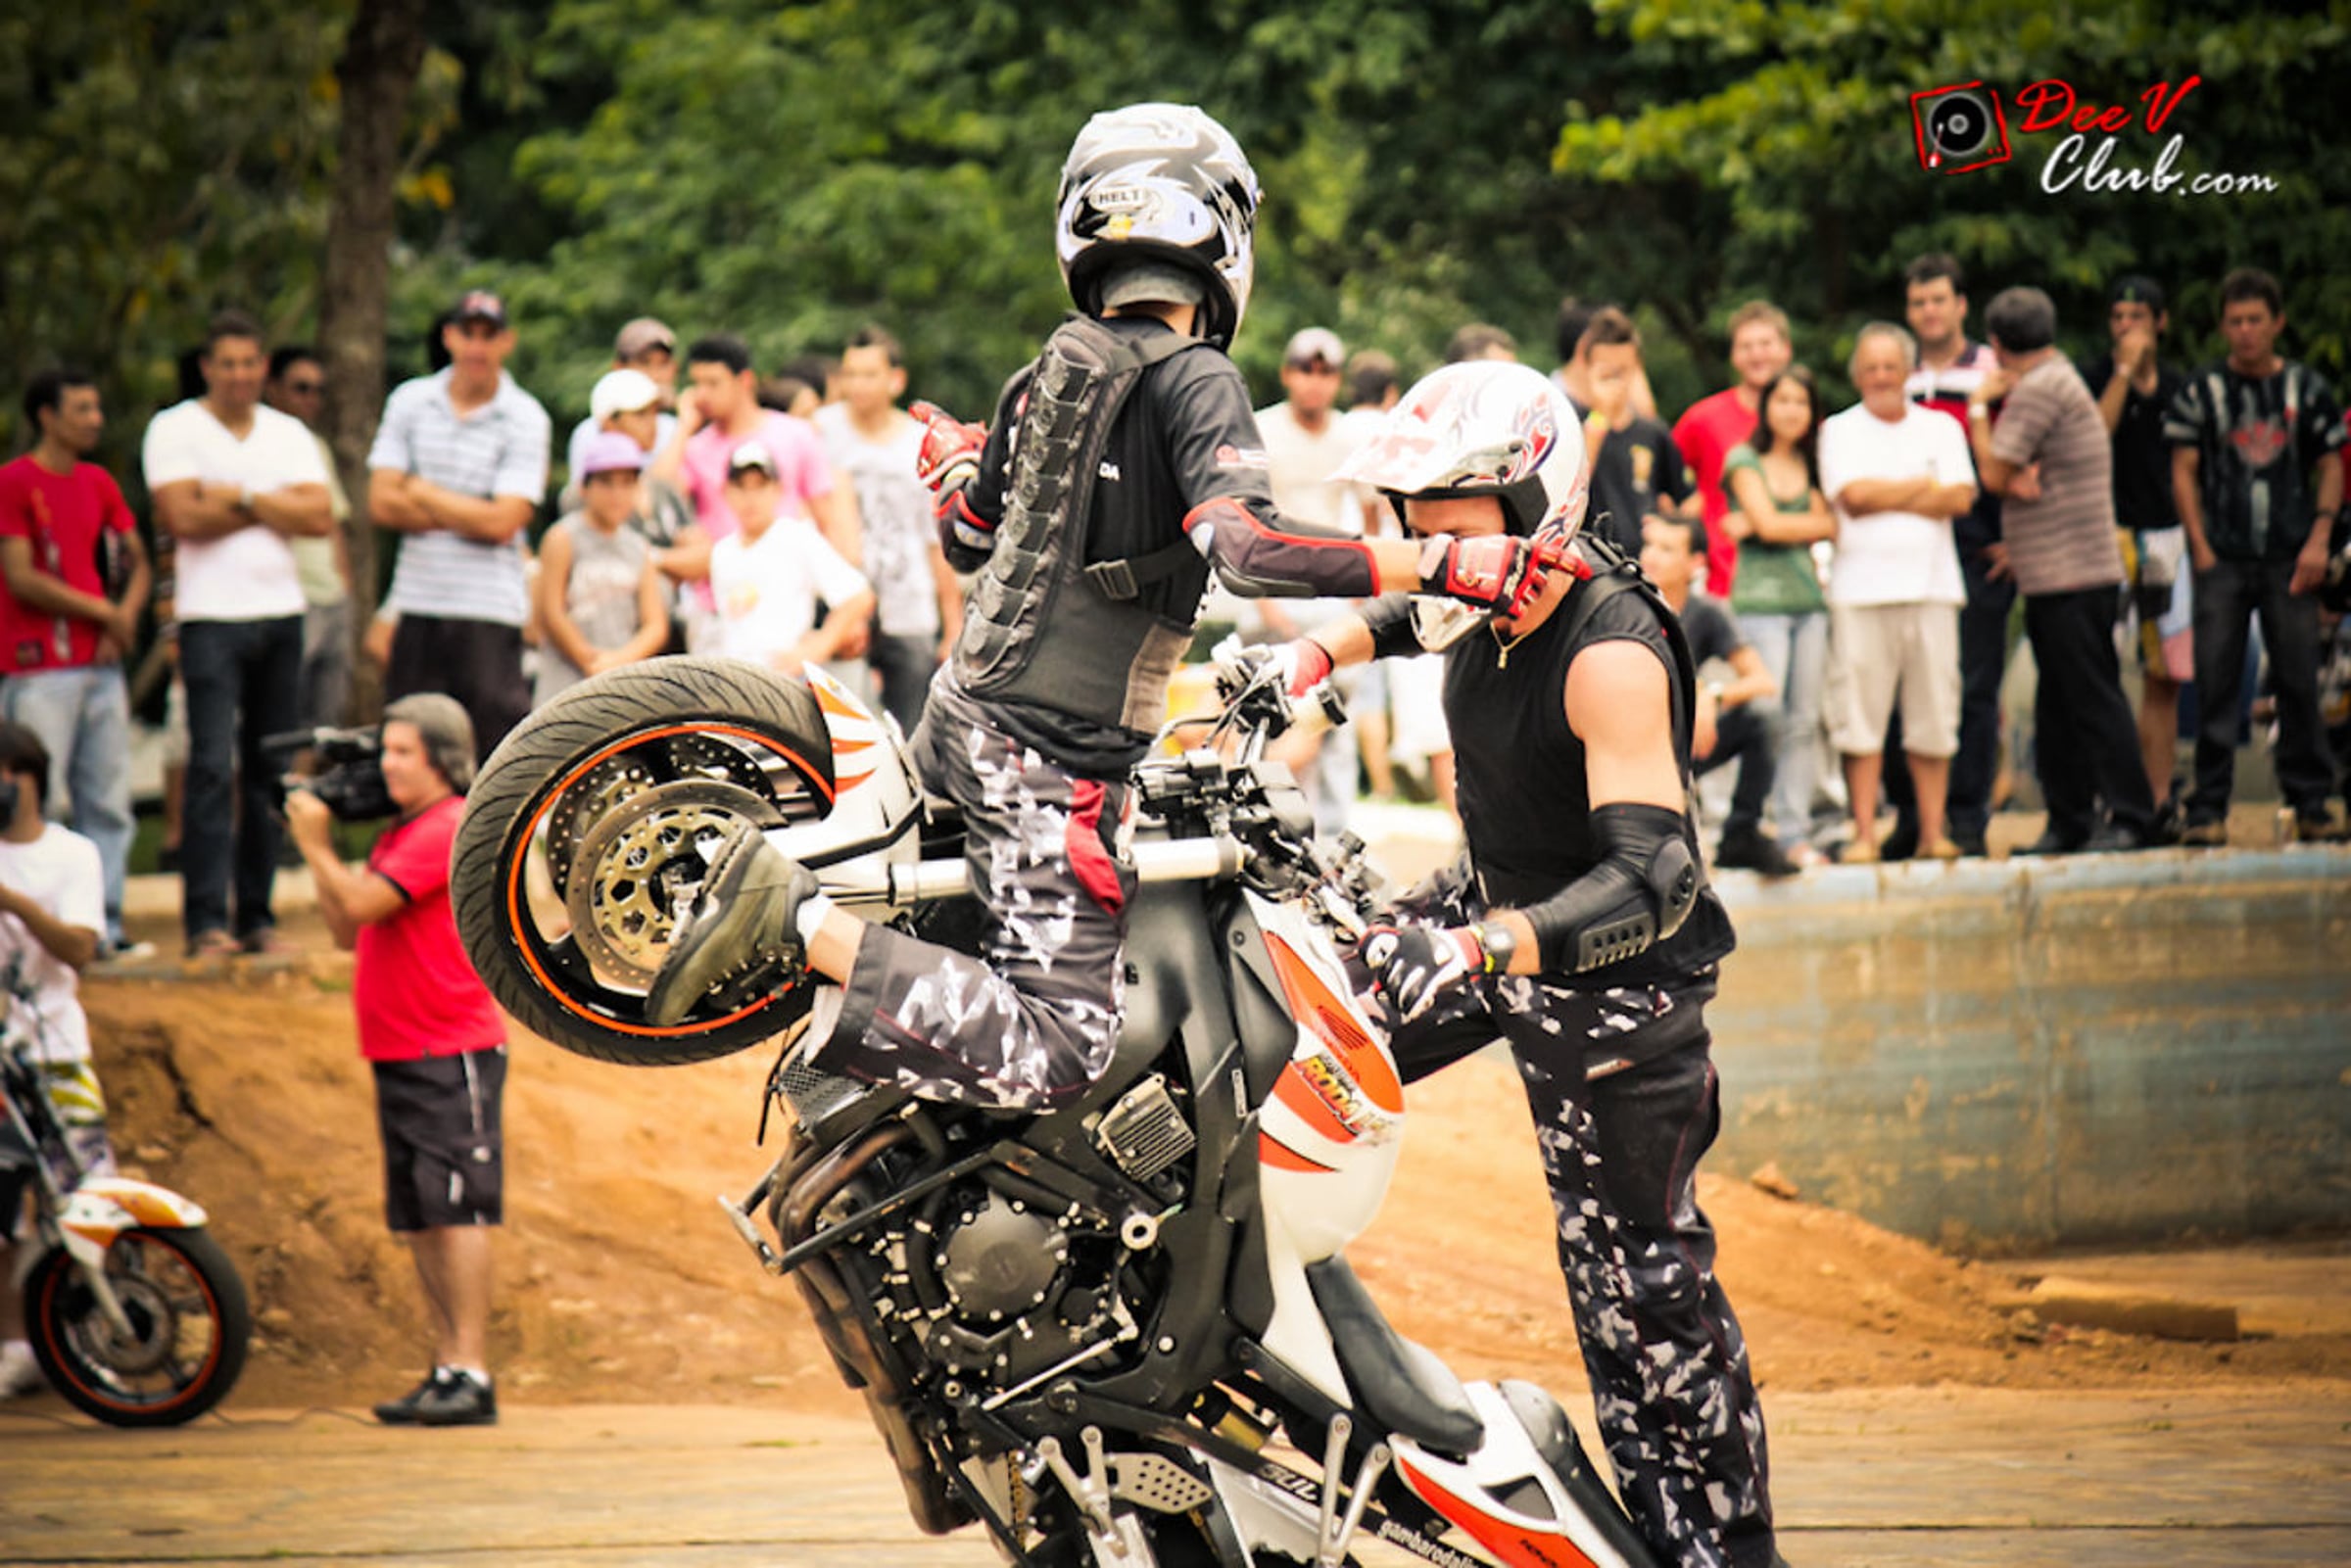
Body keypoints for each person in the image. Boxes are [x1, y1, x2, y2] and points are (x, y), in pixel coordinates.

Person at [646, 102, 1563, 1112]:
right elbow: (1246, 548)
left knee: (1000, 945)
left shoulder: (1042, 372)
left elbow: (967, 535)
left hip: (962, 715)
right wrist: (1442, 560)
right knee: (1065, 1046)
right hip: (1050, 755)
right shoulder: (1198, 378)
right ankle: (791, 917)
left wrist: (953, 468)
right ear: (1220, 233)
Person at [1268, 359, 1779, 1568]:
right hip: (1494, 901)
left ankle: (1722, 1551)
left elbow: (1655, 878)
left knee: (1639, 1291)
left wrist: (1476, 945)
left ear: (1532, 501)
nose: (1422, 543)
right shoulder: (1478, 588)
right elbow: (1407, 609)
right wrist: (1310, 657)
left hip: (1617, 981)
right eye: (1411, 520)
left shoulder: (1610, 650)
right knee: (1295, 1011)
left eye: (1444, 519)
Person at [283, 695, 505, 1427]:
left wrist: (315, 844)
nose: (387, 764)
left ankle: (471, 1368)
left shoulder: (446, 824)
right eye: (386, 750)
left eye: (404, 751)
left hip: (449, 1044)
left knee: (458, 1209)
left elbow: (361, 905)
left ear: (442, 757)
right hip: (401, 1046)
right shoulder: (399, 832)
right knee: (421, 1216)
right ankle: (445, 1364)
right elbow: (344, 929)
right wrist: (321, 857)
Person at [142, 309, 333, 957]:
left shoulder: (287, 432)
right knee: (208, 768)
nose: (240, 375)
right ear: (207, 367)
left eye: (250, 363)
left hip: (281, 613)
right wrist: (274, 504)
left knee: (268, 767)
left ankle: (256, 914)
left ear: (263, 366)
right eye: (227, 363)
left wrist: (241, 497)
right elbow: (182, 517)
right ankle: (205, 921)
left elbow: (318, 515)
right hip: (208, 619)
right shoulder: (174, 428)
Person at [1966, 287, 2159, 853]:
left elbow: (1994, 474)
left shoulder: (2038, 390)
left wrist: (1978, 408)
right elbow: (2020, 476)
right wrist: (2018, 480)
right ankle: (2069, 820)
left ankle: (2132, 816)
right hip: (2061, 571)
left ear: (1997, 344)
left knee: (2093, 698)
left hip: (2071, 574)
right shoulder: (2060, 378)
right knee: (2057, 706)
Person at [2166, 266, 2347, 843]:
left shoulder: (2305, 390)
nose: (2245, 331)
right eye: (2235, 321)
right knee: (2216, 680)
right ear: (2223, 326)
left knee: (2297, 679)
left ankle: (2311, 801)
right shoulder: (2202, 390)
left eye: (2255, 320)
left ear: (2277, 323)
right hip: (2221, 553)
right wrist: (2199, 545)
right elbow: (2183, 469)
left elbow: (2331, 464)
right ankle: (2208, 808)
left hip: (2289, 555)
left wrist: (2319, 537)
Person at [0, 368, 153, 957]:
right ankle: (32, 929)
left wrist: (123, 617)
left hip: (100, 664)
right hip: (39, 666)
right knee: (39, 798)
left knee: (108, 799)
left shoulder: (98, 481)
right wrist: (104, 611)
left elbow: (138, 559)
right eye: (82, 409)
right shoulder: (15, 483)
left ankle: (100, 926)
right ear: (47, 416)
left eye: (96, 408)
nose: (95, 420)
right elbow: (20, 576)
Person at [367, 290, 552, 761]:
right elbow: (382, 504)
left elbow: (504, 522)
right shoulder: (410, 401)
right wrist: (474, 511)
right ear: (449, 336)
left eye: (489, 335)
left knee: (496, 751)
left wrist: (422, 490)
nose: (477, 347)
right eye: (468, 334)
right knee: (412, 748)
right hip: (419, 601)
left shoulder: (525, 415)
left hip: (490, 607)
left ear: (506, 341)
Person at [1817, 322, 1976, 864]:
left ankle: (1933, 833)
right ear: (1857, 375)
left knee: (1935, 715)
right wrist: (1922, 485)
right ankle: (1864, 834)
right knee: (1859, 717)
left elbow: (1960, 498)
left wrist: (1889, 491)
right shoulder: (1839, 429)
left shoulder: (1942, 428)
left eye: (1890, 366)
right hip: (1859, 593)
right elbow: (1854, 498)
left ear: (1909, 371)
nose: (1882, 376)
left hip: (1934, 589)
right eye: (1871, 367)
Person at [0, 722, 115, 1400]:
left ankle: (91, 1338)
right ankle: (17, 1346)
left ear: (28, 776)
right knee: (4, 1214)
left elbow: (80, 948)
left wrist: (13, 903)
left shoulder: (73, 854)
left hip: (59, 1052)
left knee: (87, 1197)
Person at [1901, 254, 2009, 858]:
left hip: (1981, 548)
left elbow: (2020, 455)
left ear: (1962, 305)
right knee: (1916, 690)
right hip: (1913, 553)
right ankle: (1916, 821)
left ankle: (1968, 819)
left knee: (1974, 689)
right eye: (1919, 302)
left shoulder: (1994, 370)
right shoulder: (1899, 374)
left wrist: (2015, 536)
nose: (1929, 311)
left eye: (1939, 299)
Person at [2078, 276, 2192, 812]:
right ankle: (2108, 796)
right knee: (2104, 673)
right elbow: (2093, 436)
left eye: (2138, 318)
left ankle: (2158, 795)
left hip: (2168, 540)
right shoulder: (2094, 378)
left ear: (2160, 323)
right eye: (2118, 318)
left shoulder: (2180, 388)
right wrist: (2123, 373)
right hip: (2108, 537)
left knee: (2163, 674)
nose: (2126, 328)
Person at [813, 326, 962, 734]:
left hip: (908, 605)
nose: (857, 385)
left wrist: (953, 625)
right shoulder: (820, 432)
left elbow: (936, 539)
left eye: (869, 374)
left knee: (910, 730)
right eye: (850, 374)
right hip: (840, 608)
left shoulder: (920, 443)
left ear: (896, 380)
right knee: (836, 731)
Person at [1720, 366, 1837, 865]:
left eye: (1801, 402)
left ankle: (1794, 832)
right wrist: (1777, 524)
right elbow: (1773, 524)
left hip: (1808, 603)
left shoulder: (1814, 461)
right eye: (1782, 399)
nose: (1791, 410)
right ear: (1766, 406)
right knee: (1766, 717)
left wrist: (1760, 523)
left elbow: (1829, 524)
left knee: (1805, 721)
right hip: (1761, 604)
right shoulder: (1743, 459)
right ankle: (1752, 822)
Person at [1255, 325, 1368, 835]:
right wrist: (1264, 603)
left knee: (1337, 719)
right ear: (1287, 374)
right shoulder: (1263, 430)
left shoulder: (1351, 436)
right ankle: (1272, 830)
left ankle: (1333, 837)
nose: (1314, 382)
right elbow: (1249, 520)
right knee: (1274, 716)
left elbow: (1371, 515)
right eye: (1305, 370)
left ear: (1338, 380)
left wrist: (1364, 596)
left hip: (1335, 590)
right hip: (1278, 587)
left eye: (1325, 373)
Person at [1640, 513, 1796, 876]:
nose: (1651, 556)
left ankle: (1742, 832)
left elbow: (1763, 681)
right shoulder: (1624, 605)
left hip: (1681, 742)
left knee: (1764, 717)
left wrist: (1711, 695)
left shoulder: (1707, 611)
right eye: (1649, 545)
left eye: (1667, 548)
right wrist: (1693, 694)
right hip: (1632, 744)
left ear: (1695, 563)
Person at [652, 334, 854, 571]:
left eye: (713, 383)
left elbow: (826, 519)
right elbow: (657, 495)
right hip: (722, 582)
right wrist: (684, 426)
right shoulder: (695, 448)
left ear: (744, 380)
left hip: (786, 577)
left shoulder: (796, 435)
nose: (703, 394)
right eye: (697, 384)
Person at [705, 441, 875, 679]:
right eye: (741, 486)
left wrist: (817, 647)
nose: (750, 497)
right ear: (726, 492)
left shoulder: (795, 536)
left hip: (784, 675)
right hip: (737, 677)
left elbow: (858, 596)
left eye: (760, 486)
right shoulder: (722, 552)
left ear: (778, 490)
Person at [533, 433, 671, 707]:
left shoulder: (637, 547)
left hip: (618, 686)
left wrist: (620, 661)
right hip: (564, 684)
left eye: (627, 483)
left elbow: (655, 624)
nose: (616, 494)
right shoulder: (563, 537)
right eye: (606, 483)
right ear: (584, 487)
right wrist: (589, 659)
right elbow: (551, 611)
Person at [1672, 301, 1797, 598]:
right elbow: (1663, 480)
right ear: (1734, 355)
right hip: (1724, 581)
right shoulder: (1703, 418)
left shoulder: (1802, 418)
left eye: (1765, 344)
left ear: (1785, 349)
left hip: (1795, 579)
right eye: (1746, 346)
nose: (1756, 354)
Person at [264, 347, 357, 730]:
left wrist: (345, 587)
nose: (311, 399)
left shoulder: (314, 446)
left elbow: (332, 523)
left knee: (324, 720)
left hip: (330, 596)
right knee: (281, 715)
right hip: (288, 598)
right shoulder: (258, 444)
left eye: (318, 391)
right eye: (301, 388)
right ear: (272, 388)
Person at [1571, 309, 1694, 556]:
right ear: (1586, 366)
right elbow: (1572, 487)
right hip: (1591, 560)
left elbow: (1688, 498)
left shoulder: (1652, 431)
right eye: (1606, 373)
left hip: (1643, 563)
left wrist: (1667, 527)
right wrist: (1600, 416)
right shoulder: (1572, 424)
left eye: (1624, 371)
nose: (1616, 382)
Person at [562, 316, 679, 485]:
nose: (655, 375)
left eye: (663, 364)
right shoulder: (589, 433)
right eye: (644, 363)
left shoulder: (675, 429)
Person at [1553, 295, 1661, 425]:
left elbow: (1648, 423)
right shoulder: (1552, 409)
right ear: (1583, 349)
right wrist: (1600, 417)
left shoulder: (1622, 407)